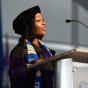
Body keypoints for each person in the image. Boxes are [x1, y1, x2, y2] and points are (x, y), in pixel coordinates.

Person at [9, 5, 55, 88]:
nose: (43, 23)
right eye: (38, 20)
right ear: (30, 26)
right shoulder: (21, 49)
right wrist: (32, 67)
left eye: (43, 20)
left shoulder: (47, 51)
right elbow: (15, 75)